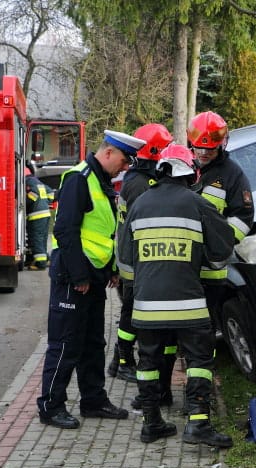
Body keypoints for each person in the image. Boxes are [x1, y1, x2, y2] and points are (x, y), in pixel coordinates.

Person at [36, 130, 145, 429]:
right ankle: (50, 406)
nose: (125, 168)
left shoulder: (101, 181)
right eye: (123, 161)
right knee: (65, 344)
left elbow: (103, 232)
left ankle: (93, 400)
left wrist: (110, 269)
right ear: (108, 153)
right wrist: (79, 276)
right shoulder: (78, 178)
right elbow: (66, 231)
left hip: (94, 276)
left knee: (94, 343)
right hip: (74, 276)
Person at [128, 144, 235, 446]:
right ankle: (198, 425)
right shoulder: (197, 203)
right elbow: (222, 249)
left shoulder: (139, 204)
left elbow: (125, 256)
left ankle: (152, 424)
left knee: (147, 362)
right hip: (189, 306)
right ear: (191, 173)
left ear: (161, 171)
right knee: (199, 359)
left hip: (146, 307)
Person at [108, 124, 177, 402]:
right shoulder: (140, 183)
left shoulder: (139, 177)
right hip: (134, 260)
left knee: (131, 310)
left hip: (132, 256)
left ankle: (118, 361)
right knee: (131, 313)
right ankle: (122, 362)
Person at [186, 111, 254, 330]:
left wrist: (216, 246)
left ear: (221, 145)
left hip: (210, 270)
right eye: (200, 148)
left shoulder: (232, 174)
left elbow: (243, 218)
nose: (204, 153)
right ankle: (178, 361)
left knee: (205, 327)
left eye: (210, 149)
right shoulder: (181, 168)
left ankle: (201, 363)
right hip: (179, 265)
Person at [24, 167, 54, 270]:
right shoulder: (37, 181)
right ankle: (46, 259)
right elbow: (51, 193)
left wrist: (23, 204)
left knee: (36, 239)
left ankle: (40, 263)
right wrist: (46, 203)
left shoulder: (28, 182)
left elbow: (34, 195)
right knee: (42, 239)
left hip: (36, 215)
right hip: (45, 214)